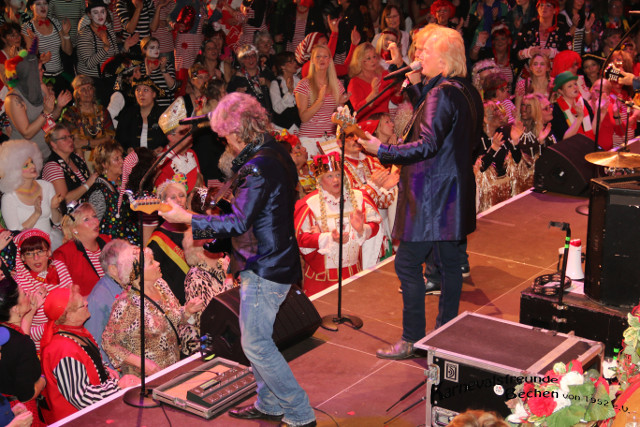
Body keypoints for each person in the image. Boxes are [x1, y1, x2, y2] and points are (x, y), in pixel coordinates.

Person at [159, 92, 317, 427]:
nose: (224, 142)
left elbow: (239, 222)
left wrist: (187, 217)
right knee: (255, 338)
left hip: (264, 265)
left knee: (256, 344)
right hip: (273, 257)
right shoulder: (274, 150)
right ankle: (269, 403)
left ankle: (300, 413)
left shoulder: (258, 166)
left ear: (238, 130)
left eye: (226, 135)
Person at [358, 25, 483, 359]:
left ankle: (412, 338)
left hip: (431, 196)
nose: (418, 55)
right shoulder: (465, 90)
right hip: (453, 191)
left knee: (407, 265)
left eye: (426, 51)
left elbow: (427, 144)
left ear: (444, 60)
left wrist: (381, 150)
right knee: (450, 266)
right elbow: (443, 127)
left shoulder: (441, 94)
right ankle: (445, 336)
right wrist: (417, 89)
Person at [39, 287, 140, 424]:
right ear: (69, 316)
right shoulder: (63, 350)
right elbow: (81, 397)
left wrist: (104, 370)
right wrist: (118, 387)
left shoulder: (75, 332)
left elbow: (88, 361)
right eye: (82, 305)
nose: (87, 303)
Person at [101, 246, 203, 376]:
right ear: (136, 272)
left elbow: (172, 318)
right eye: (151, 262)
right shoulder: (127, 304)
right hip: (146, 378)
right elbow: (108, 343)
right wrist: (141, 363)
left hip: (171, 368)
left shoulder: (161, 285)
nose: (158, 263)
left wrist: (187, 311)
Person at [294, 152, 382, 296]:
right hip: (322, 280)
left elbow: (375, 226)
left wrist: (362, 229)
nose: (336, 180)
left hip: (354, 274)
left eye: (338, 175)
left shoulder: (359, 197)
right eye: (329, 176)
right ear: (320, 180)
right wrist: (328, 238)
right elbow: (301, 240)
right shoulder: (309, 204)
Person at [13, 228, 73, 351]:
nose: (36, 258)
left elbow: (73, 301)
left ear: (48, 252)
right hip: (41, 348)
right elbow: (22, 331)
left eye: (40, 251)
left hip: (68, 337)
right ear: (22, 257)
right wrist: (53, 325)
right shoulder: (19, 285)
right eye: (29, 254)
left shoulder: (60, 268)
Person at [4, 51, 72, 158]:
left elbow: (50, 119)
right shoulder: (13, 99)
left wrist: (59, 106)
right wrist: (45, 112)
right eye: (40, 69)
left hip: (46, 151)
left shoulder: (42, 87)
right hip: (26, 157)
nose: (43, 71)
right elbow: (27, 133)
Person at [0, 140, 64, 248]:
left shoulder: (46, 186)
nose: (32, 166)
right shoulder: (9, 198)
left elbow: (57, 222)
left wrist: (54, 208)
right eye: (26, 165)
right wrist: (36, 214)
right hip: (27, 250)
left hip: (51, 243)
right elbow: (15, 234)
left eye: (32, 162)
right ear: (14, 170)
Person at [0, 277, 46, 427]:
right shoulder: (21, 344)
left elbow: (20, 338)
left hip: (5, 407)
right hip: (21, 413)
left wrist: (31, 312)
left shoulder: (4, 331)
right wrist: (44, 380)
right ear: (15, 308)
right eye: (24, 294)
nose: (29, 295)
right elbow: (26, 395)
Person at [85, 239, 135, 365]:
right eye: (130, 262)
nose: (136, 265)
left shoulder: (130, 285)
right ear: (113, 270)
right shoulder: (99, 298)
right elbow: (95, 344)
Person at [294, 44, 348, 157]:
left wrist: (341, 104)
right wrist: (320, 100)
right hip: (309, 139)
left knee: (336, 168)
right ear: (312, 61)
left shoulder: (336, 84)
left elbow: (338, 117)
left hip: (330, 139)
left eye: (325, 56)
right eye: (318, 56)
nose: (321, 59)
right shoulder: (304, 84)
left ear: (330, 61)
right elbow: (304, 117)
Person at [85, 142, 139, 243]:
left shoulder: (123, 183)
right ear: (104, 164)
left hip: (129, 242)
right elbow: (92, 225)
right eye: (116, 159)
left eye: (121, 157)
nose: (122, 161)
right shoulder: (99, 191)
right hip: (110, 246)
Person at [53, 203, 111, 296]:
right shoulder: (64, 254)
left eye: (94, 216)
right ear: (74, 229)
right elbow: (63, 294)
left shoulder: (106, 240)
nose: (95, 222)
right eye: (86, 219)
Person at [147, 179, 190, 304]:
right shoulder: (157, 240)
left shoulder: (195, 228)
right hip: (179, 303)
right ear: (163, 204)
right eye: (173, 197)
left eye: (181, 196)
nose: (179, 200)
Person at [59, 75, 116, 159]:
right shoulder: (71, 114)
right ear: (77, 94)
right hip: (80, 156)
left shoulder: (102, 111)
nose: (87, 92)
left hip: (103, 155)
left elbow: (108, 139)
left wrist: (87, 142)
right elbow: (76, 143)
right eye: (83, 89)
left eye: (89, 88)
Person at [41, 123, 97, 205]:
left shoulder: (76, 158)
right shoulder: (52, 166)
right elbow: (64, 200)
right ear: (53, 144)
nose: (70, 140)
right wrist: (88, 184)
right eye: (64, 138)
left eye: (70, 137)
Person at [114, 77, 168, 152]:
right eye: (138, 90)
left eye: (145, 90)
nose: (141, 94)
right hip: (133, 158)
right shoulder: (127, 114)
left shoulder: (164, 115)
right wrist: (127, 149)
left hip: (160, 158)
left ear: (154, 94)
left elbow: (173, 138)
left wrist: (163, 148)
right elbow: (119, 140)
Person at [550, 70, 594, 142]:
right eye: (570, 86)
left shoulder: (583, 102)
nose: (575, 87)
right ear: (560, 91)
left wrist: (601, 112)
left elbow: (593, 130)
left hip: (588, 145)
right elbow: (563, 138)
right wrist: (579, 118)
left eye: (575, 84)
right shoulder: (556, 109)